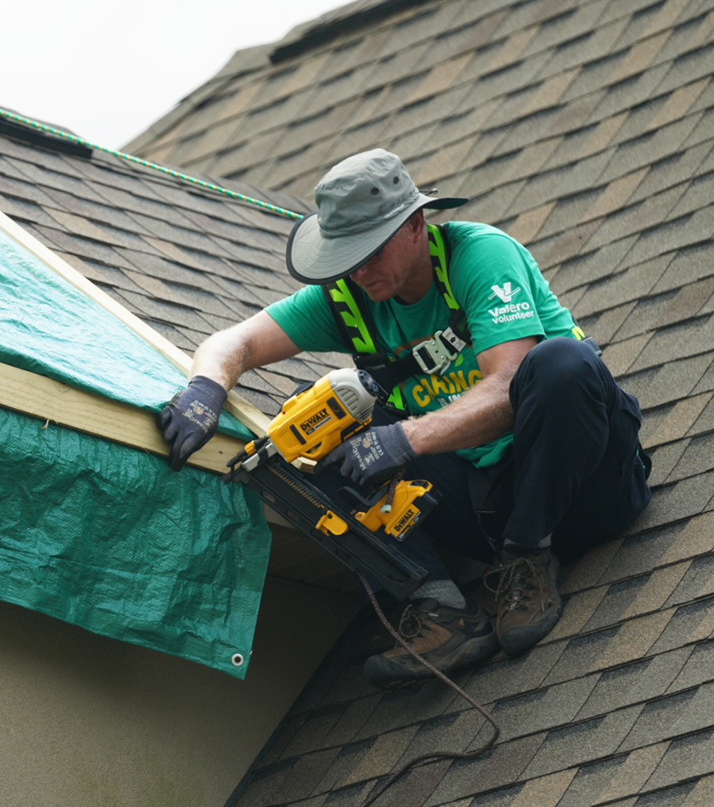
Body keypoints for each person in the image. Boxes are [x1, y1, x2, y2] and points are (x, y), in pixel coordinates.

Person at [158, 149, 652, 689]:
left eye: (369, 252)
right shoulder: (349, 296)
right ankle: (443, 609)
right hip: (488, 509)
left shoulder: (479, 255)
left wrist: (406, 438)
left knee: (564, 364)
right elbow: (238, 340)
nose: (359, 270)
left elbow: (510, 385)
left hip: (585, 485)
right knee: (307, 432)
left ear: (416, 225)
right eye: (347, 258)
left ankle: (529, 561)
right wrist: (206, 386)